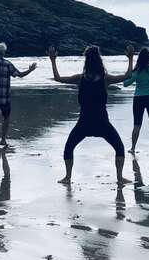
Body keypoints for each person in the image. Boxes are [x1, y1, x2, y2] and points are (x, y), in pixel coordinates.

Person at [48, 44, 134, 185]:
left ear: (86, 61)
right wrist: (130, 58)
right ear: (99, 60)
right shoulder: (105, 79)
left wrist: (53, 60)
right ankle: (119, 178)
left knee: (69, 147)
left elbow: (57, 78)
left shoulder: (80, 78)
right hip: (102, 122)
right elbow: (127, 76)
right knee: (119, 147)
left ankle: (67, 177)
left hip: (84, 122)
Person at [123, 47, 149, 154]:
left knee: (137, 124)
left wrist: (130, 64)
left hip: (138, 99)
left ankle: (132, 148)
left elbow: (125, 83)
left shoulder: (136, 72)